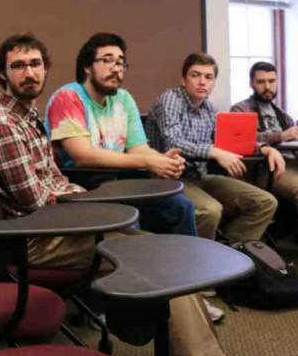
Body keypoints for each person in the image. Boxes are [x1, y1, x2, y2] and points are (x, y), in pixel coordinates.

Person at [0, 34, 252, 356]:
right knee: (156, 256)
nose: (29, 73)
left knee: (166, 251)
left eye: (35, 64)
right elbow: (36, 202)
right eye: (18, 66)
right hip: (34, 238)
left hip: (57, 225)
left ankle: (199, 351)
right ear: (2, 74)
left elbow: (55, 181)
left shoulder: (26, 119)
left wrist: (90, 198)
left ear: (45, 69)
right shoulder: (4, 125)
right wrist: (91, 205)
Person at [45, 33, 197, 237]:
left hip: (119, 184)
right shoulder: (68, 97)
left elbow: (138, 148)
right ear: (87, 67)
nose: (116, 68)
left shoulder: (123, 99)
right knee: (129, 223)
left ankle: (185, 267)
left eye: (121, 63)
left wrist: (164, 161)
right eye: (107, 60)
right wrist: (147, 161)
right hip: (82, 188)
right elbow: (83, 156)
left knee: (181, 206)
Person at [146, 53, 279, 242]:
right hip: (167, 178)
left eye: (208, 77)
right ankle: (203, 264)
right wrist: (213, 151)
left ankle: (231, 253)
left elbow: (231, 140)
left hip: (199, 176)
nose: (202, 82)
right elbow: (173, 143)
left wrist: (264, 148)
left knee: (265, 202)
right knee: (210, 209)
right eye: (195, 75)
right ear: (183, 79)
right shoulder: (170, 99)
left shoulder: (209, 108)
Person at [230, 61, 298, 242]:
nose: (267, 86)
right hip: (268, 169)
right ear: (251, 83)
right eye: (261, 82)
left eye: (271, 81)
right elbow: (243, 140)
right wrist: (281, 136)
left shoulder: (282, 114)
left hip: (295, 163)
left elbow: (295, 146)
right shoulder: (240, 110)